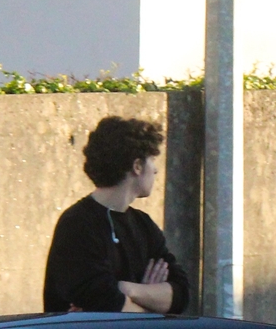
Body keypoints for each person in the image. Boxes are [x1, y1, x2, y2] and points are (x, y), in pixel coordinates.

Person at [42, 115, 192, 315]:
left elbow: (180, 295)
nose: (155, 170)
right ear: (137, 166)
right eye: (152, 160)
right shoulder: (77, 224)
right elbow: (105, 307)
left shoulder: (144, 225)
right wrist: (151, 304)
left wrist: (126, 289)